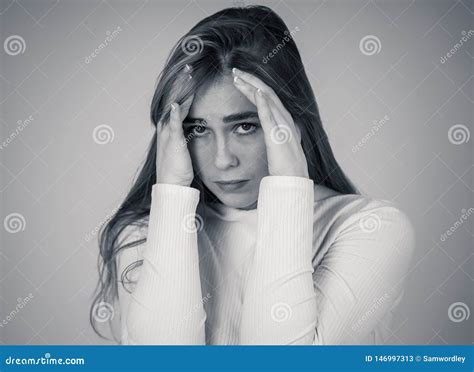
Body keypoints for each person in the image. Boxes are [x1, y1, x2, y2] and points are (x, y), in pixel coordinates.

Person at [90, 5, 415, 345]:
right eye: (198, 129)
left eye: (245, 126)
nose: (223, 159)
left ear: (291, 125)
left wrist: (289, 185)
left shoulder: (370, 228)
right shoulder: (144, 233)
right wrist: (170, 193)